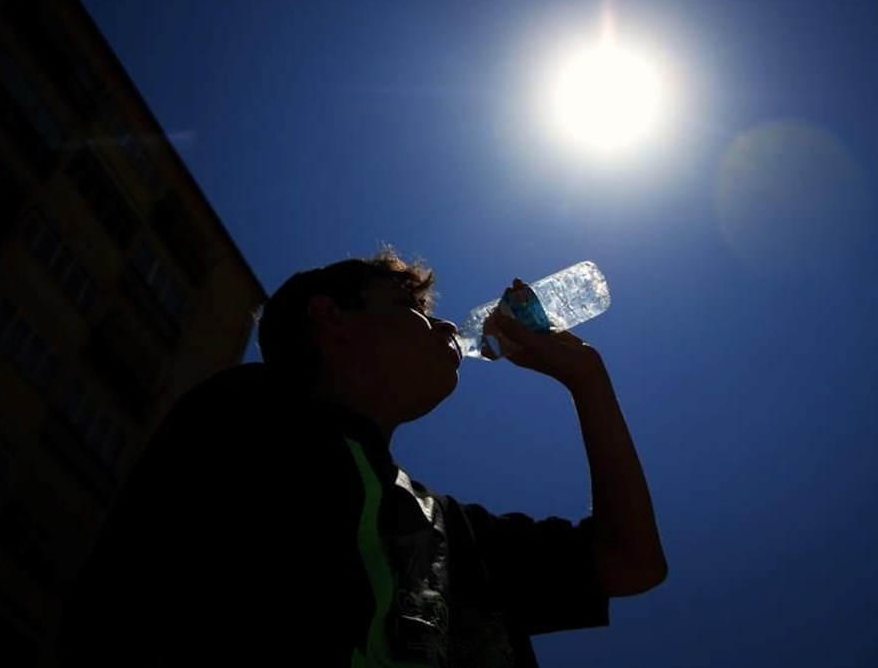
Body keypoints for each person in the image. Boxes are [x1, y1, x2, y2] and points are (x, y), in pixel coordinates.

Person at [57, 247, 666, 667]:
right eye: (416, 312)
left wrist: (587, 379)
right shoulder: (251, 416)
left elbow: (631, 564)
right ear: (331, 318)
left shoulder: (451, 532)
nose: (448, 326)